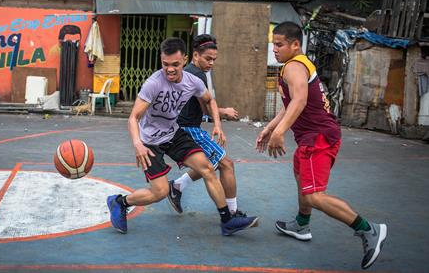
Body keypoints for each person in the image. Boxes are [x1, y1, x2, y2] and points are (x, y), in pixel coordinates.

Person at [256, 22, 387, 270]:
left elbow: (301, 100)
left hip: (318, 138)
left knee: (315, 195)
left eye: (280, 44)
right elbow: (290, 103)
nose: (275, 49)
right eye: (273, 44)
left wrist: (280, 132)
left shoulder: (294, 66)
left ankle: (368, 230)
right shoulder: (299, 65)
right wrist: (271, 127)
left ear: (296, 44)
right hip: (312, 137)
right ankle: (302, 224)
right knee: (300, 177)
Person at [107, 38, 258, 236]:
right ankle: (119, 202)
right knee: (159, 192)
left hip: (173, 133)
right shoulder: (153, 84)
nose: (170, 69)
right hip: (150, 142)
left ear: (185, 60)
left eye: (175, 65)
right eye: (165, 64)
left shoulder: (192, 81)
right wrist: (137, 144)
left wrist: (218, 125)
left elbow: (209, 100)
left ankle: (227, 220)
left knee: (207, 168)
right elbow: (133, 117)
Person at [167, 34, 255, 220]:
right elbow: (205, 107)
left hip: (181, 128)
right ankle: (231, 213)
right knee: (226, 164)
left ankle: (176, 187)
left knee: (208, 165)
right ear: (195, 55)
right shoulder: (197, 74)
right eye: (208, 59)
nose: (211, 63)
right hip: (189, 129)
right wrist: (224, 113)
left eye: (214, 59)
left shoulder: (190, 71)